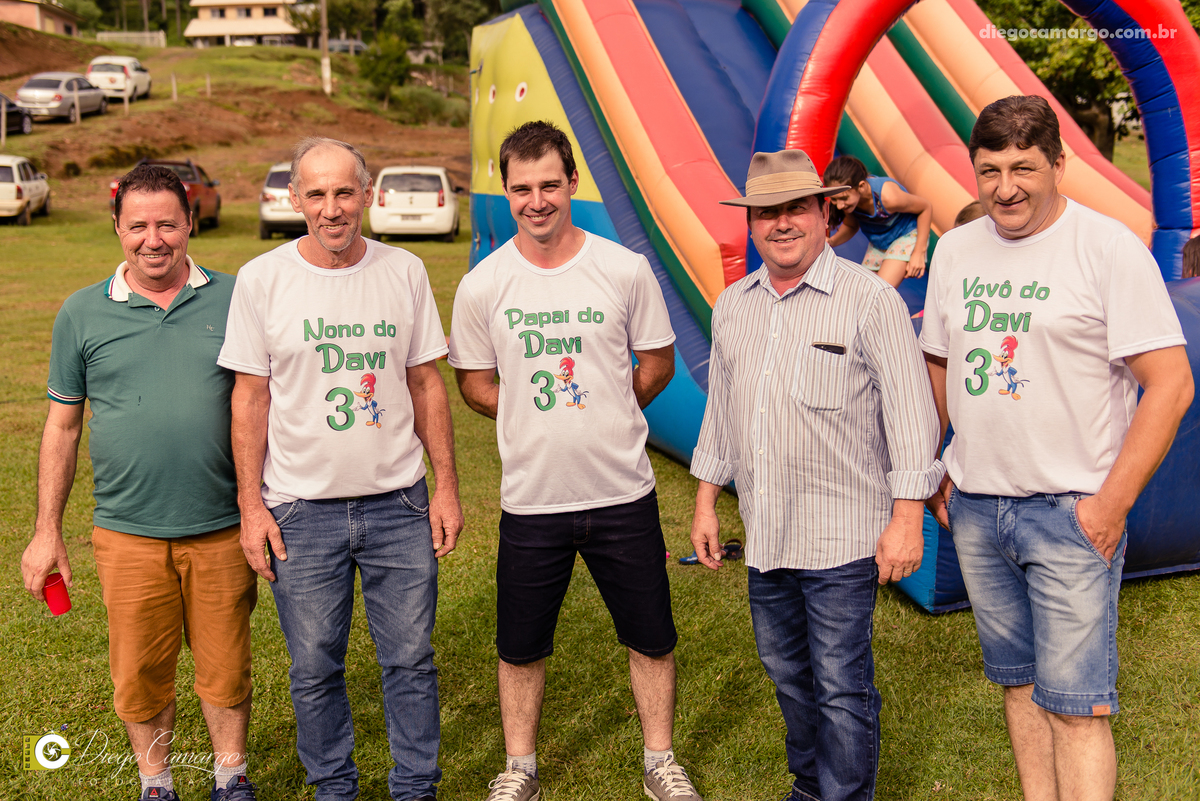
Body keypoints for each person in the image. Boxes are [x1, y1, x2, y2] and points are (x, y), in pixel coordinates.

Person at [920, 95, 1193, 800]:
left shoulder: (1107, 249)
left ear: (1059, 165)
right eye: (989, 170)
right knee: (1019, 688)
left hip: (1070, 514)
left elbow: (1170, 384)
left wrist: (1109, 506)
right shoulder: (957, 249)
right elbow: (941, 361)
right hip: (978, 510)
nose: (1005, 186)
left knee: (1077, 710)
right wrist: (943, 463)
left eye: (1023, 167)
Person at [448, 120, 700, 801]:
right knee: (520, 643)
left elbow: (655, 364)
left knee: (650, 633)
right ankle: (519, 767)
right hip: (533, 499)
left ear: (572, 183)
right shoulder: (483, 284)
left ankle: (660, 761)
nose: (536, 200)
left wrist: (610, 406)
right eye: (522, 187)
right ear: (506, 189)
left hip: (622, 491)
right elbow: (473, 381)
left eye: (549, 185)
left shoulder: (621, 268)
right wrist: (533, 416)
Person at [690, 149, 944, 801]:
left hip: (842, 536)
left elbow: (913, 413)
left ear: (824, 210)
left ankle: (842, 793)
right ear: (750, 223)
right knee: (788, 675)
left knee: (838, 681)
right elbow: (721, 409)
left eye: (794, 207)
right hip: (768, 534)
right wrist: (703, 502)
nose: (781, 223)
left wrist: (907, 518)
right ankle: (810, 787)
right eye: (766, 211)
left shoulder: (870, 300)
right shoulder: (733, 307)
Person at [218, 137, 463, 801]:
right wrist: (251, 504)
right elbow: (251, 396)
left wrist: (445, 487)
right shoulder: (262, 279)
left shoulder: (405, 270)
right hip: (301, 509)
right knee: (313, 664)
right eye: (317, 194)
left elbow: (425, 382)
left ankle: (415, 785)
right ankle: (334, 785)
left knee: (410, 658)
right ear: (295, 199)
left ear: (368, 195)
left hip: (399, 505)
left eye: (344, 192)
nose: (332, 208)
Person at [20, 164, 259, 801]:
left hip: (224, 527)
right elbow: (63, 426)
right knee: (140, 675)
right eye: (138, 226)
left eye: (167, 224)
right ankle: (157, 784)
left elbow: (267, 401)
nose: (154, 239)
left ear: (191, 224)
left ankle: (230, 778)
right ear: (118, 229)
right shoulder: (80, 313)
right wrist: (47, 531)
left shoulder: (239, 297)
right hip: (127, 533)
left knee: (226, 670)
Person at [823, 155, 933, 289]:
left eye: (844, 198)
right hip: (880, 241)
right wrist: (832, 242)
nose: (839, 206)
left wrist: (918, 252)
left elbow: (925, 208)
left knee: (879, 290)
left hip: (905, 234)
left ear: (861, 186)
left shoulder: (889, 197)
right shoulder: (851, 202)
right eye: (834, 200)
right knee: (861, 291)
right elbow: (851, 225)